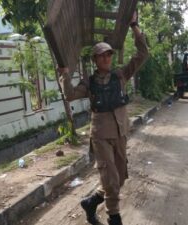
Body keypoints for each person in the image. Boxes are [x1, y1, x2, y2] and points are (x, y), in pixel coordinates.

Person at [58, 12, 148, 225]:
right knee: (111, 178)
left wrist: (134, 25)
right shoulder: (89, 83)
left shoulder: (121, 75)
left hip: (120, 131)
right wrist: (64, 74)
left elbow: (143, 53)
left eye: (108, 54)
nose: (106, 58)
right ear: (95, 59)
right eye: (101, 55)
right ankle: (114, 217)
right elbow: (70, 94)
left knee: (120, 177)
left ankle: (91, 202)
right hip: (101, 135)